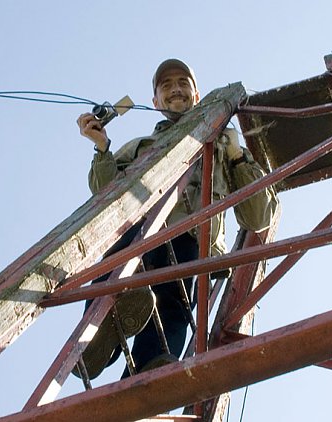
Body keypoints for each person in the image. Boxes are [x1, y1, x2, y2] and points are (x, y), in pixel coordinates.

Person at [75, 59, 279, 379]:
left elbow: (257, 216)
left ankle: (151, 371)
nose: (176, 90)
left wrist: (237, 154)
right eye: (166, 86)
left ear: (197, 96)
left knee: (173, 300)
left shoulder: (222, 143)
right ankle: (96, 338)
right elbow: (106, 198)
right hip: (140, 232)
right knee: (119, 265)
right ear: (155, 102)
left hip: (191, 238)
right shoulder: (140, 147)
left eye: (183, 83)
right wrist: (101, 149)